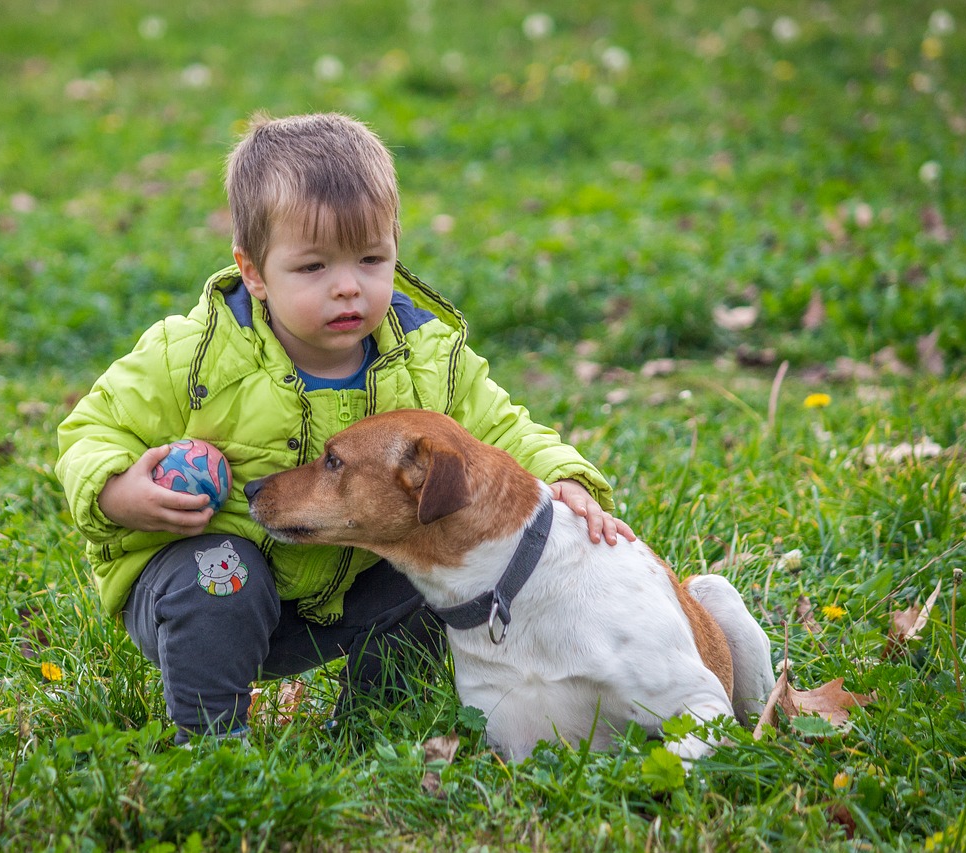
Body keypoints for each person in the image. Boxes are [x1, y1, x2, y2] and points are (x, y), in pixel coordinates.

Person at [56, 112, 635, 743]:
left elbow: (500, 430)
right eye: (313, 268)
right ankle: (213, 742)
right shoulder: (193, 355)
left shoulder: (426, 357)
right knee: (222, 575)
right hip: (210, 577)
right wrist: (117, 492)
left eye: (370, 259)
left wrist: (564, 475)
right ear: (253, 272)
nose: (348, 288)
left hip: (350, 580)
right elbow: (91, 428)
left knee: (438, 555)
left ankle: (373, 723)